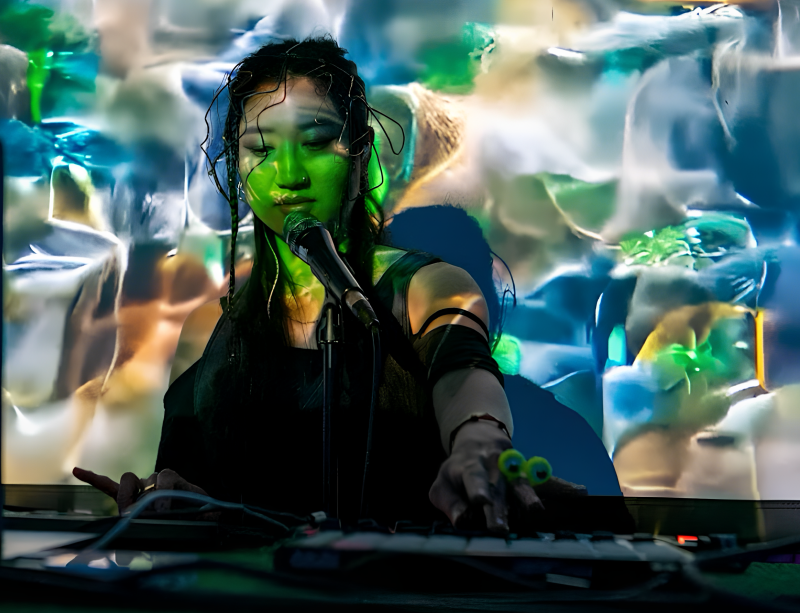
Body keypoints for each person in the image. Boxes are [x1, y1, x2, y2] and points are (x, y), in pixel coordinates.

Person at [74, 38, 582, 530]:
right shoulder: (208, 327)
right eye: (261, 149)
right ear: (238, 168)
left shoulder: (427, 286)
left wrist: (478, 439)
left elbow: (463, 369)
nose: (289, 174)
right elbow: (184, 484)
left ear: (360, 160)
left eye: (316, 142)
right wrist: (166, 499)